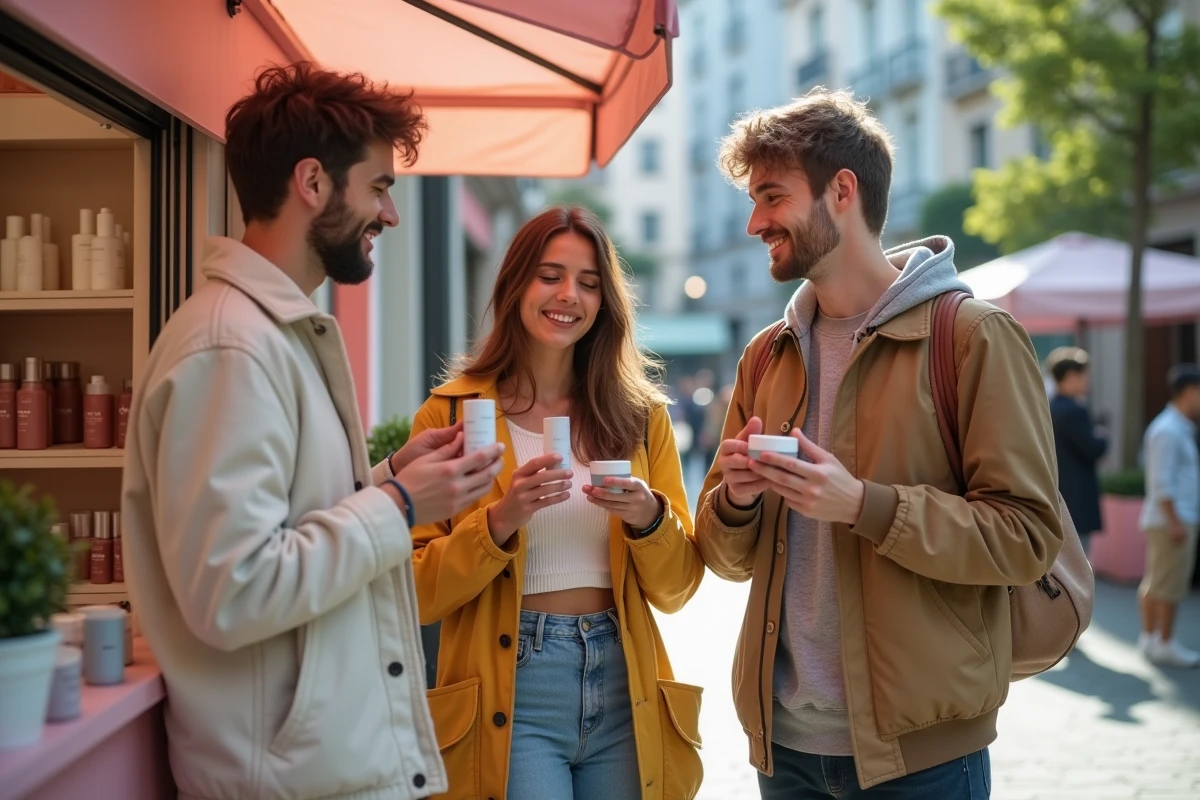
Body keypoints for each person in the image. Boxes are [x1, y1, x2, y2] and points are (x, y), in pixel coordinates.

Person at [120, 63, 505, 800]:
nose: (390, 215)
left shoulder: (267, 334)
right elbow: (234, 590)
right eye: (379, 187)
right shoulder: (233, 348)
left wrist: (389, 479)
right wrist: (399, 506)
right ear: (313, 182)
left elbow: (287, 524)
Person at [693, 90, 1063, 798]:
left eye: (772, 197)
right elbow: (724, 558)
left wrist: (865, 505)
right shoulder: (766, 357)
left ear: (842, 191)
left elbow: (1027, 537)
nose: (754, 222)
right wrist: (736, 502)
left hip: (922, 758)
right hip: (783, 749)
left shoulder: (973, 337)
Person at [408, 207, 705, 800]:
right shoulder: (450, 414)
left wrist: (649, 520)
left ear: (604, 301)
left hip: (625, 682)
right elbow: (415, 592)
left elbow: (677, 589)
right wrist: (498, 523)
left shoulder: (640, 417)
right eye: (550, 275)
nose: (569, 294)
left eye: (589, 282)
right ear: (515, 284)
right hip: (512, 687)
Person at [1137, 363, 1200, 668]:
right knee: (1169, 586)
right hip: (1172, 519)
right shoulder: (1169, 430)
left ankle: (1152, 639)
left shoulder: (1171, 427)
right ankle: (1164, 641)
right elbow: (1162, 482)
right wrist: (1175, 522)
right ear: (1189, 392)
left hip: (1168, 518)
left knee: (1157, 582)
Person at [1046, 347, 1107, 543]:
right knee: (1080, 555)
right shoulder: (1073, 411)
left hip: (1057, 495)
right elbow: (1093, 448)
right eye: (1084, 376)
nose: (1087, 381)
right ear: (1071, 376)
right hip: (1077, 499)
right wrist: (1102, 435)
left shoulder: (1049, 407)